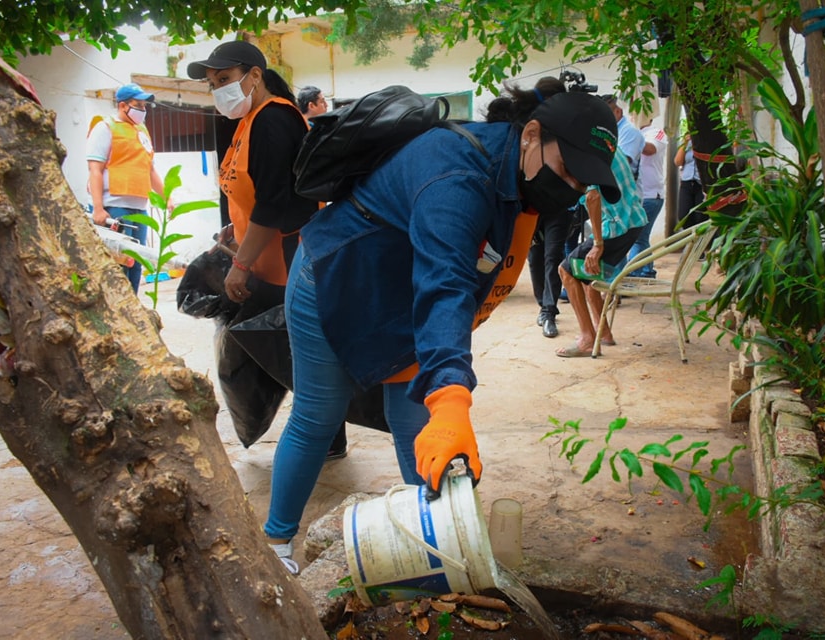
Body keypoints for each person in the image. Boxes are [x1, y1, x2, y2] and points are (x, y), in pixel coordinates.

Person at [261, 82, 621, 568]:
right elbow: (446, 285)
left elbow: (453, 282)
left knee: (416, 419)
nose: (573, 190)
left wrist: (443, 395)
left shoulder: (513, 167)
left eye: (585, 184)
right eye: (569, 172)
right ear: (532, 134)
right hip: (334, 278)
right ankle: (277, 544)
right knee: (319, 414)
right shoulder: (456, 175)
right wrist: (453, 397)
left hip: (399, 291)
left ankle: (440, 544)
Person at [186, 41, 348, 467]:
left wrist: (240, 266)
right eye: (212, 84)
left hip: (289, 255)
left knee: (300, 346)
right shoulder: (248, 120)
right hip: (265, 253)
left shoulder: (274, 118)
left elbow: (274, 203)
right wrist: (234, 228)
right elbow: (249, 191)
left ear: (254, 75)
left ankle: (326, 434)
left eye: (223, 80)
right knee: (285, 345)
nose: (217, 89)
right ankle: (324, 430)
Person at [555, 150, 647, 358]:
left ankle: (587, 338)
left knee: (566, 271)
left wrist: (597, 244)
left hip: (617, 225)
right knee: (588, 274)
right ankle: (603, 332)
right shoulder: (606, 144)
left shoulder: (586, 152)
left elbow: (593, 197)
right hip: (631, 221)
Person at [86, 83, 166, 294]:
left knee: (137, 261)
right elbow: (95, 170)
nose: (143, 110)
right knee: (119, 263)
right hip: (115, 207)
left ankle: (134, 306)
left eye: (144, 105)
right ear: (122, 106)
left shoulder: (141, 131)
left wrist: (167, 198)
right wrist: (98, 208)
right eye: (137, 105)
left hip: (140, 208)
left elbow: (150, 170)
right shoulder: (105, 128)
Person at [527, 78, 573, 338]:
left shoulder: (568, 127)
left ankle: (548, 310)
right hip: (533, 206)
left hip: (559, 204)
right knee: (534, 257)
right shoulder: (529, 126)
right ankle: (541, 304)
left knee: (552, 256)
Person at [624, 123, 669, 278]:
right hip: (635, 194)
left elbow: (650, 150)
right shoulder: (630, 131)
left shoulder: (657, 132)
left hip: (651, 195)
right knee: (640, 237)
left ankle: (632, 275)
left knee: (638, 237)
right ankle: (646, 270)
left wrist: (633, 140)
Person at [675, 133, 706, 228]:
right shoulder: (687, 142)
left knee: (700, 217)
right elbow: (678, 162)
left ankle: (699, 241)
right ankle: (689, 240)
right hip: (687, 181)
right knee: (683, 216)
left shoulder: (708, 141)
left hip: (702, 184)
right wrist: (685, 143)